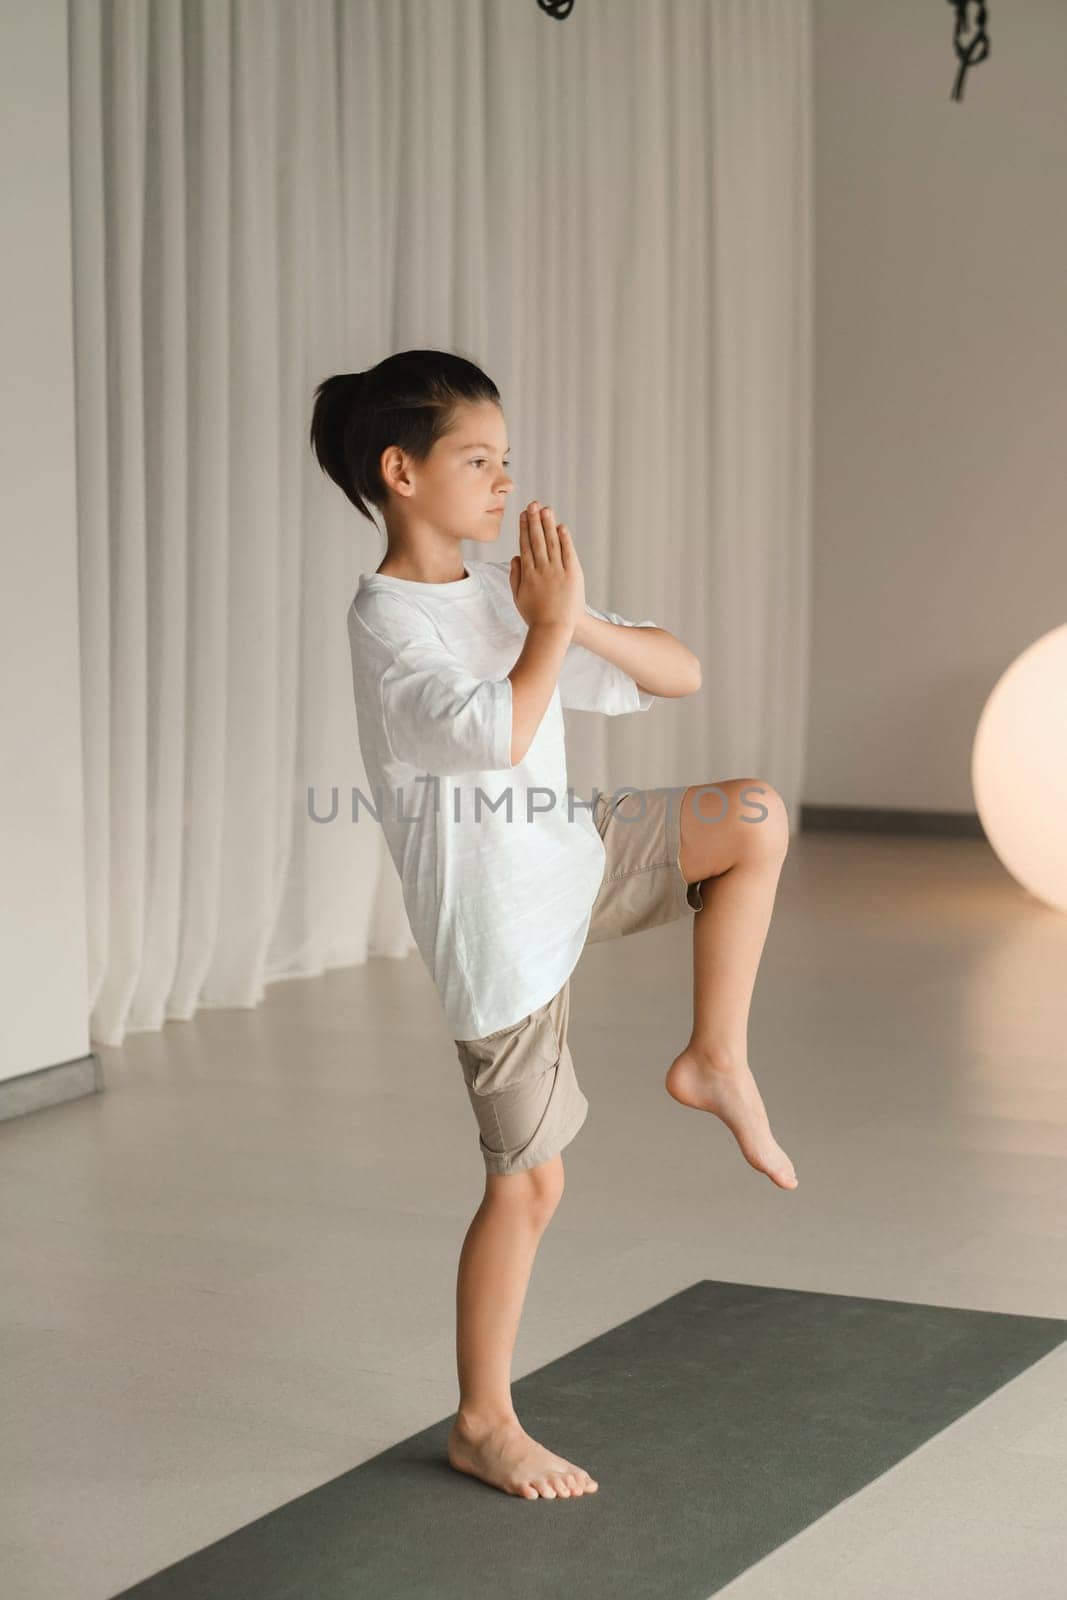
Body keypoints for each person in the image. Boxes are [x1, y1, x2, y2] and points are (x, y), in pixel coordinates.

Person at [309, 348, 797, 1503]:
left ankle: (712, 1056)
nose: (499, 480)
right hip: (497, 930)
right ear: (401, 471)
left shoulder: (501, 593)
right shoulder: (388, 623)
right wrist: (547, 630)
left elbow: (676, 672)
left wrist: (571, 619)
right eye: (475, 458)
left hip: (571, 855)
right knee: (528, 1185)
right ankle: (481, 1421)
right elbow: (496, 734)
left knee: (752, 817)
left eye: (504, 459)